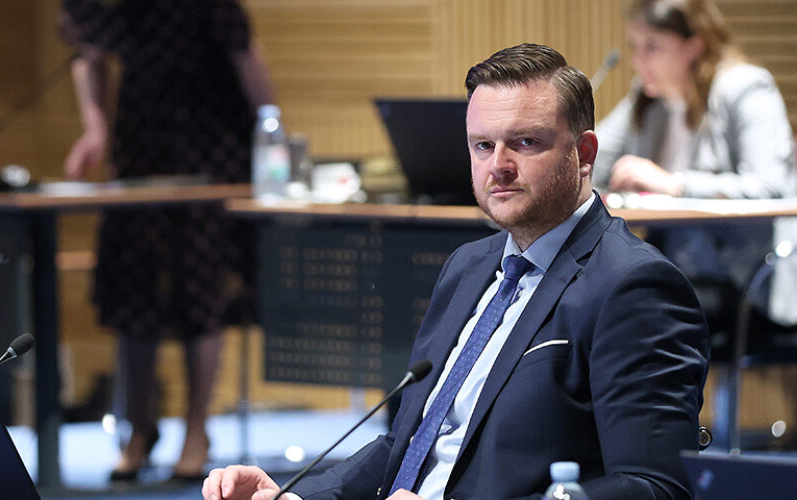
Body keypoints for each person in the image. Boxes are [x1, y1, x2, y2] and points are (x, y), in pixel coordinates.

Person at [202, 43, 709, 500]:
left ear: (585, 154)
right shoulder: (468, 265)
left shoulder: (634, 287)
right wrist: (296, 496)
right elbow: (410, 442)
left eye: (525, 143)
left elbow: (656, 487)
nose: (498, 166)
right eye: (482, 145)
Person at [58, 0, 275, 482]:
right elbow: (89, 56)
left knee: (201, 290)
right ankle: (139, 430)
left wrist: (271, 135)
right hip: (140, 144)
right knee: (133, 292)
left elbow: (245, 55)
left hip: (209, 141)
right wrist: (95, 128)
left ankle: (197, 431)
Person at [593, 0, 794, 199]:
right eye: (634, 47)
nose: (637, 61)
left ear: (695, 46)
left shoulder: (744, 86)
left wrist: (675, 184)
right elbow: (593, 157)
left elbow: (767, 186)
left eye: (652, 47)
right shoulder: (646, 94)